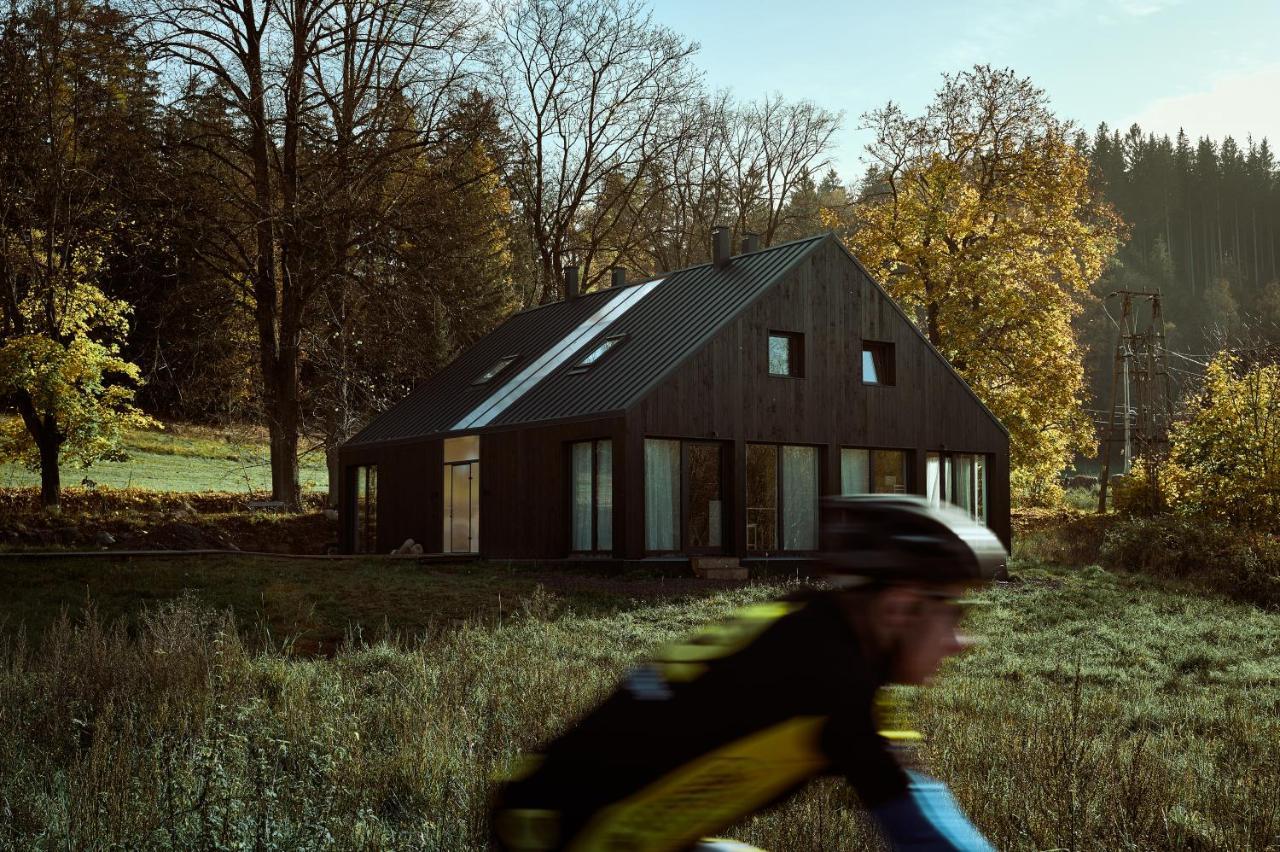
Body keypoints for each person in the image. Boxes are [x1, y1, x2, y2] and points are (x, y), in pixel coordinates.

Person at [491, 495, 1006, 852]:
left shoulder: (814, 633)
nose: (962, 641)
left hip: (558, 817)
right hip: (562, 835)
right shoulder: (829, 680)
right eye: (955, 613)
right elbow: (925, 829)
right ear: (900, 606)